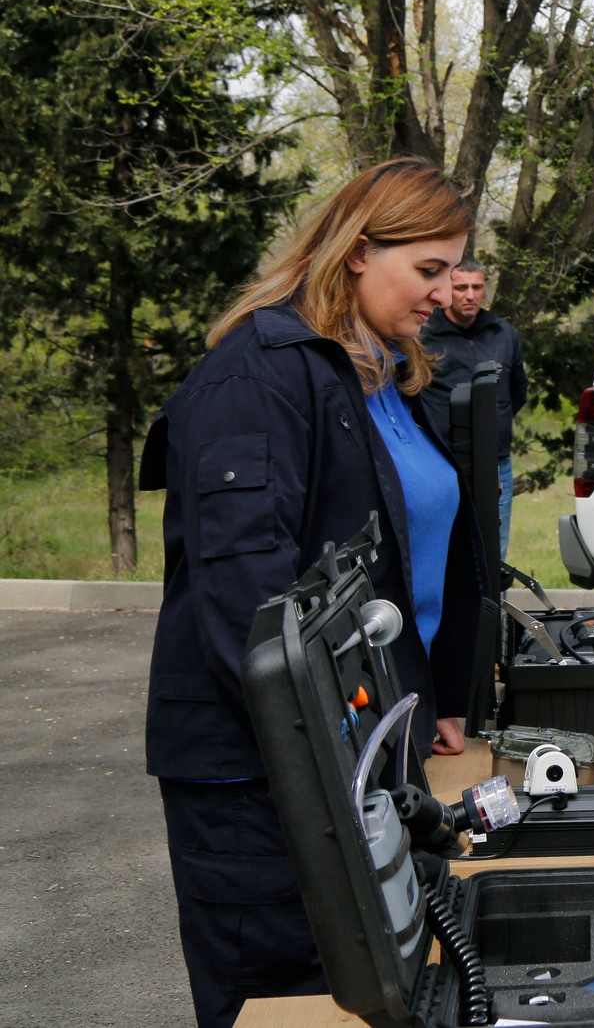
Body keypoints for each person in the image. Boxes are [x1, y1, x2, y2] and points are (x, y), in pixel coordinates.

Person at [141, 159, 495, 1028]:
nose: (446, 291)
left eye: (455, 269)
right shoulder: (256, 378)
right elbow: (247, 610)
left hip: (352, 761)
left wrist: (429, 707)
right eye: (428, 268)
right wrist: (341, 773)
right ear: (356, 251)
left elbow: (402, 555)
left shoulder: (374, 372)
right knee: (289, 1003)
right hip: (267, 781)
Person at [418, 255, 528, 555]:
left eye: (477, 287)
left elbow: (517, 391)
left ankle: (492, 590)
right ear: (448, 289)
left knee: (493, 552)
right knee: (444, 550)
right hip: (442, 462)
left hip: (495, 464)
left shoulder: (503, 333)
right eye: (461, 287)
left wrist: (493, 424)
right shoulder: (424, 334)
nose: (470, 295)